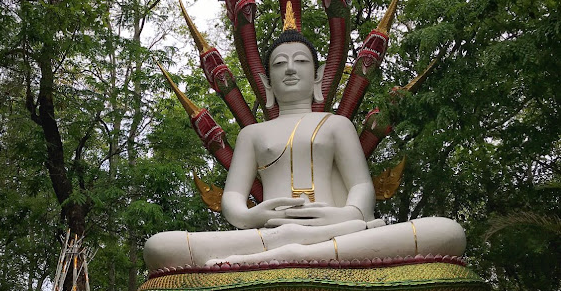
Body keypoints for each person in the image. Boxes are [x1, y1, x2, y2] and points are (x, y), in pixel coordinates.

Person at [143, 29, 465, 271]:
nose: (291, 69)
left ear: (318, 76)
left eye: (301, 61)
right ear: (267, 83)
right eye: (280, 64)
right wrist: (252, 215)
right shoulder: (253, 134)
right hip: (269, 233)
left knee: (448, 232)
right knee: (159, 247)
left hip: (338, 230)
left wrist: (347, 215)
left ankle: (288, 255)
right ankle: (288, 249)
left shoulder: (337, 124)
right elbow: (232, 201)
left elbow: (361, 187)